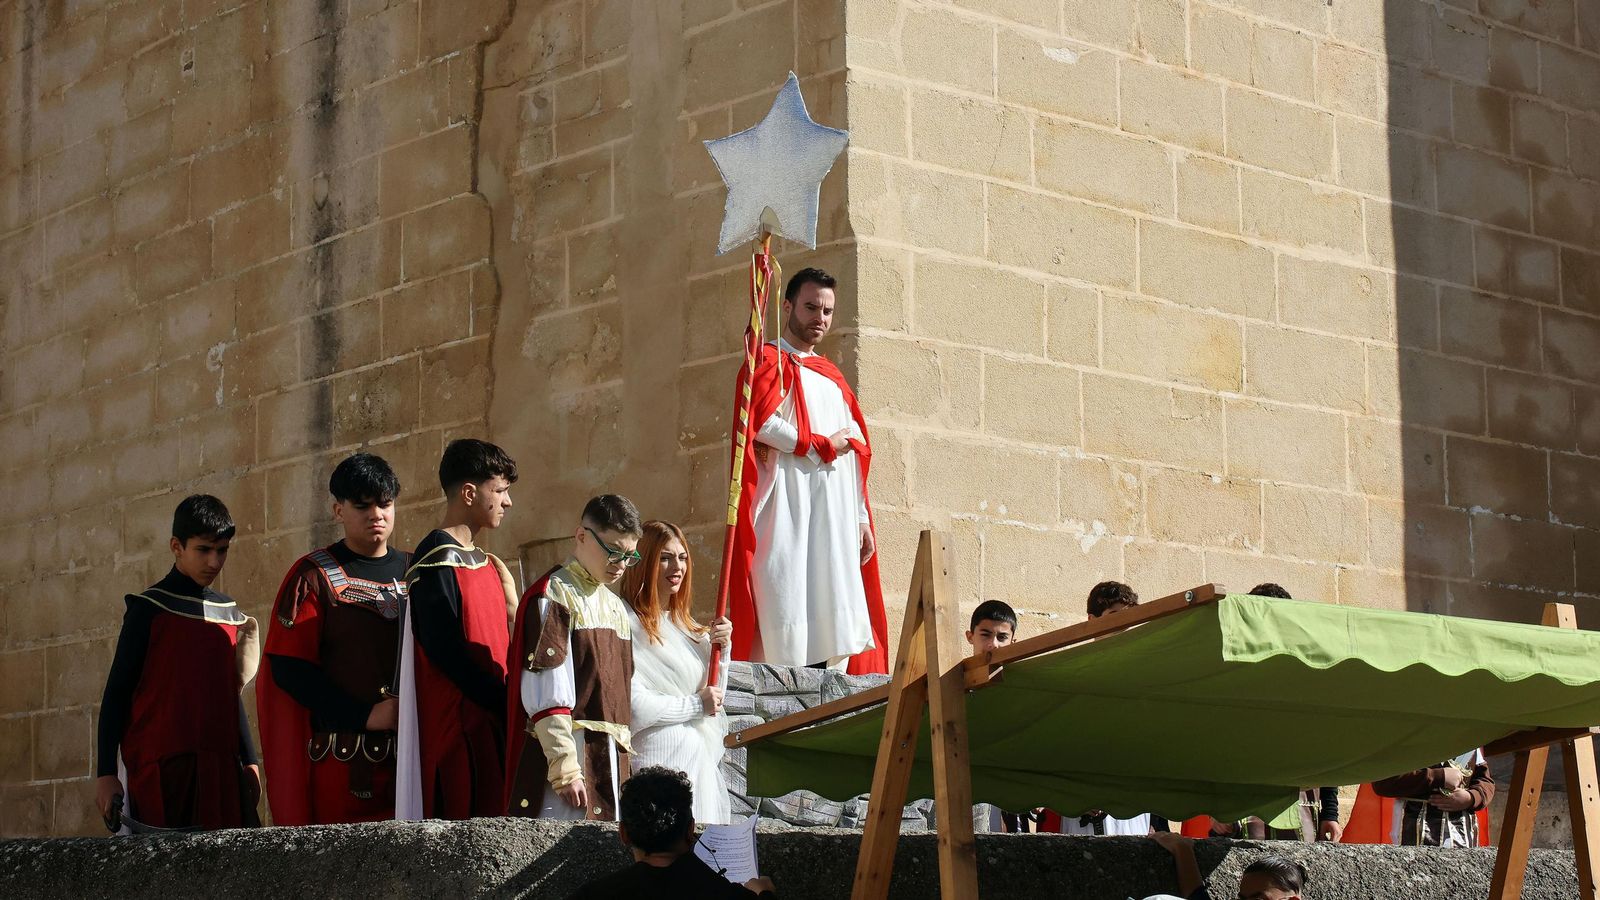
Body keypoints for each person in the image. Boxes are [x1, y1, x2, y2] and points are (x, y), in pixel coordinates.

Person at [727, 267, 889, 674]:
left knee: (832, 600)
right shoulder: (767, 361)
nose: (820, 318)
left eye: (828, 311)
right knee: (786, 594)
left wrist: (860, 518)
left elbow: (852, 454)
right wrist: (817, 445)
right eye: (811, 307)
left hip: (834, 513)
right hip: (787, 506)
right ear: (788, 306)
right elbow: (759, 423)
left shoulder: (833, 379)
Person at [257, 453, 410, 825]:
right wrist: (365, 715)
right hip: (344, 768)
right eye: (363, 505)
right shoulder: (312, 577)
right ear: (338, 510)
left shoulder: (419, 569)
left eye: (385, 504)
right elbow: (290, 669)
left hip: (413, 764)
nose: (377, 514)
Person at [95, 494, 262, 831]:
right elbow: (117, 691)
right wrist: (105, 774)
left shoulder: (228, 613)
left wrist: (251, 762)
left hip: (220, 772)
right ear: (176, 546)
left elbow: (231, 693)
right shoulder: (148, 610)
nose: (214, 561)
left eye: (222, 550)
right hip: (163, 772)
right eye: (203, 549)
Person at [395, 439, 520, 820]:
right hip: (460, 728)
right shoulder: (435, 557)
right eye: (499, 491)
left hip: (491, 721)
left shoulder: (487, 564)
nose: (507, 502)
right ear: (468, 492)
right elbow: (445, 649)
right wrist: (502, 700)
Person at [506, 495, 643, 820]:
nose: (620, 564)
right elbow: (545, 690)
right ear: (581, 536)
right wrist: (564, 769)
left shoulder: (616, 608)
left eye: (629, 556)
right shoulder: (554, 594)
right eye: (612, 551)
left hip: (613, 765)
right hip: (572, 761)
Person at [619, 521, 735, 825]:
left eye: (683, 557)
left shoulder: (691, 630)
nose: (677, 566)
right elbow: (633, 705)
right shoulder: (625, 624)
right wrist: (694, 705)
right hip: (655, 763)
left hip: (697, 768)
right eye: (665, 557)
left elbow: (714, 699)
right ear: (642, 563)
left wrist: (721, 652)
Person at [569, 766, 777, 899]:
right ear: (690, 831)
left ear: (624, 834)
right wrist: (764, 893)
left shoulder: (591, 895)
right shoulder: (726, 894)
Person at [1245, 583, 1341, 843]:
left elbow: (1325, 743)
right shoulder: (1236, 670)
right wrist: (1215, 810)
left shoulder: (1308, 672)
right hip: (1245, 801)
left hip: (1302, 804)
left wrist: (1330, 811)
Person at [1370, 749, 1493, 847]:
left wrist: (1471, 798)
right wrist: (1438, 777)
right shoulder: (1408, 739)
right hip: (1413, 830)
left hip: (1463, 834)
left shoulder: (1469, 741)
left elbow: (1486, 782)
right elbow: (1383, 783)